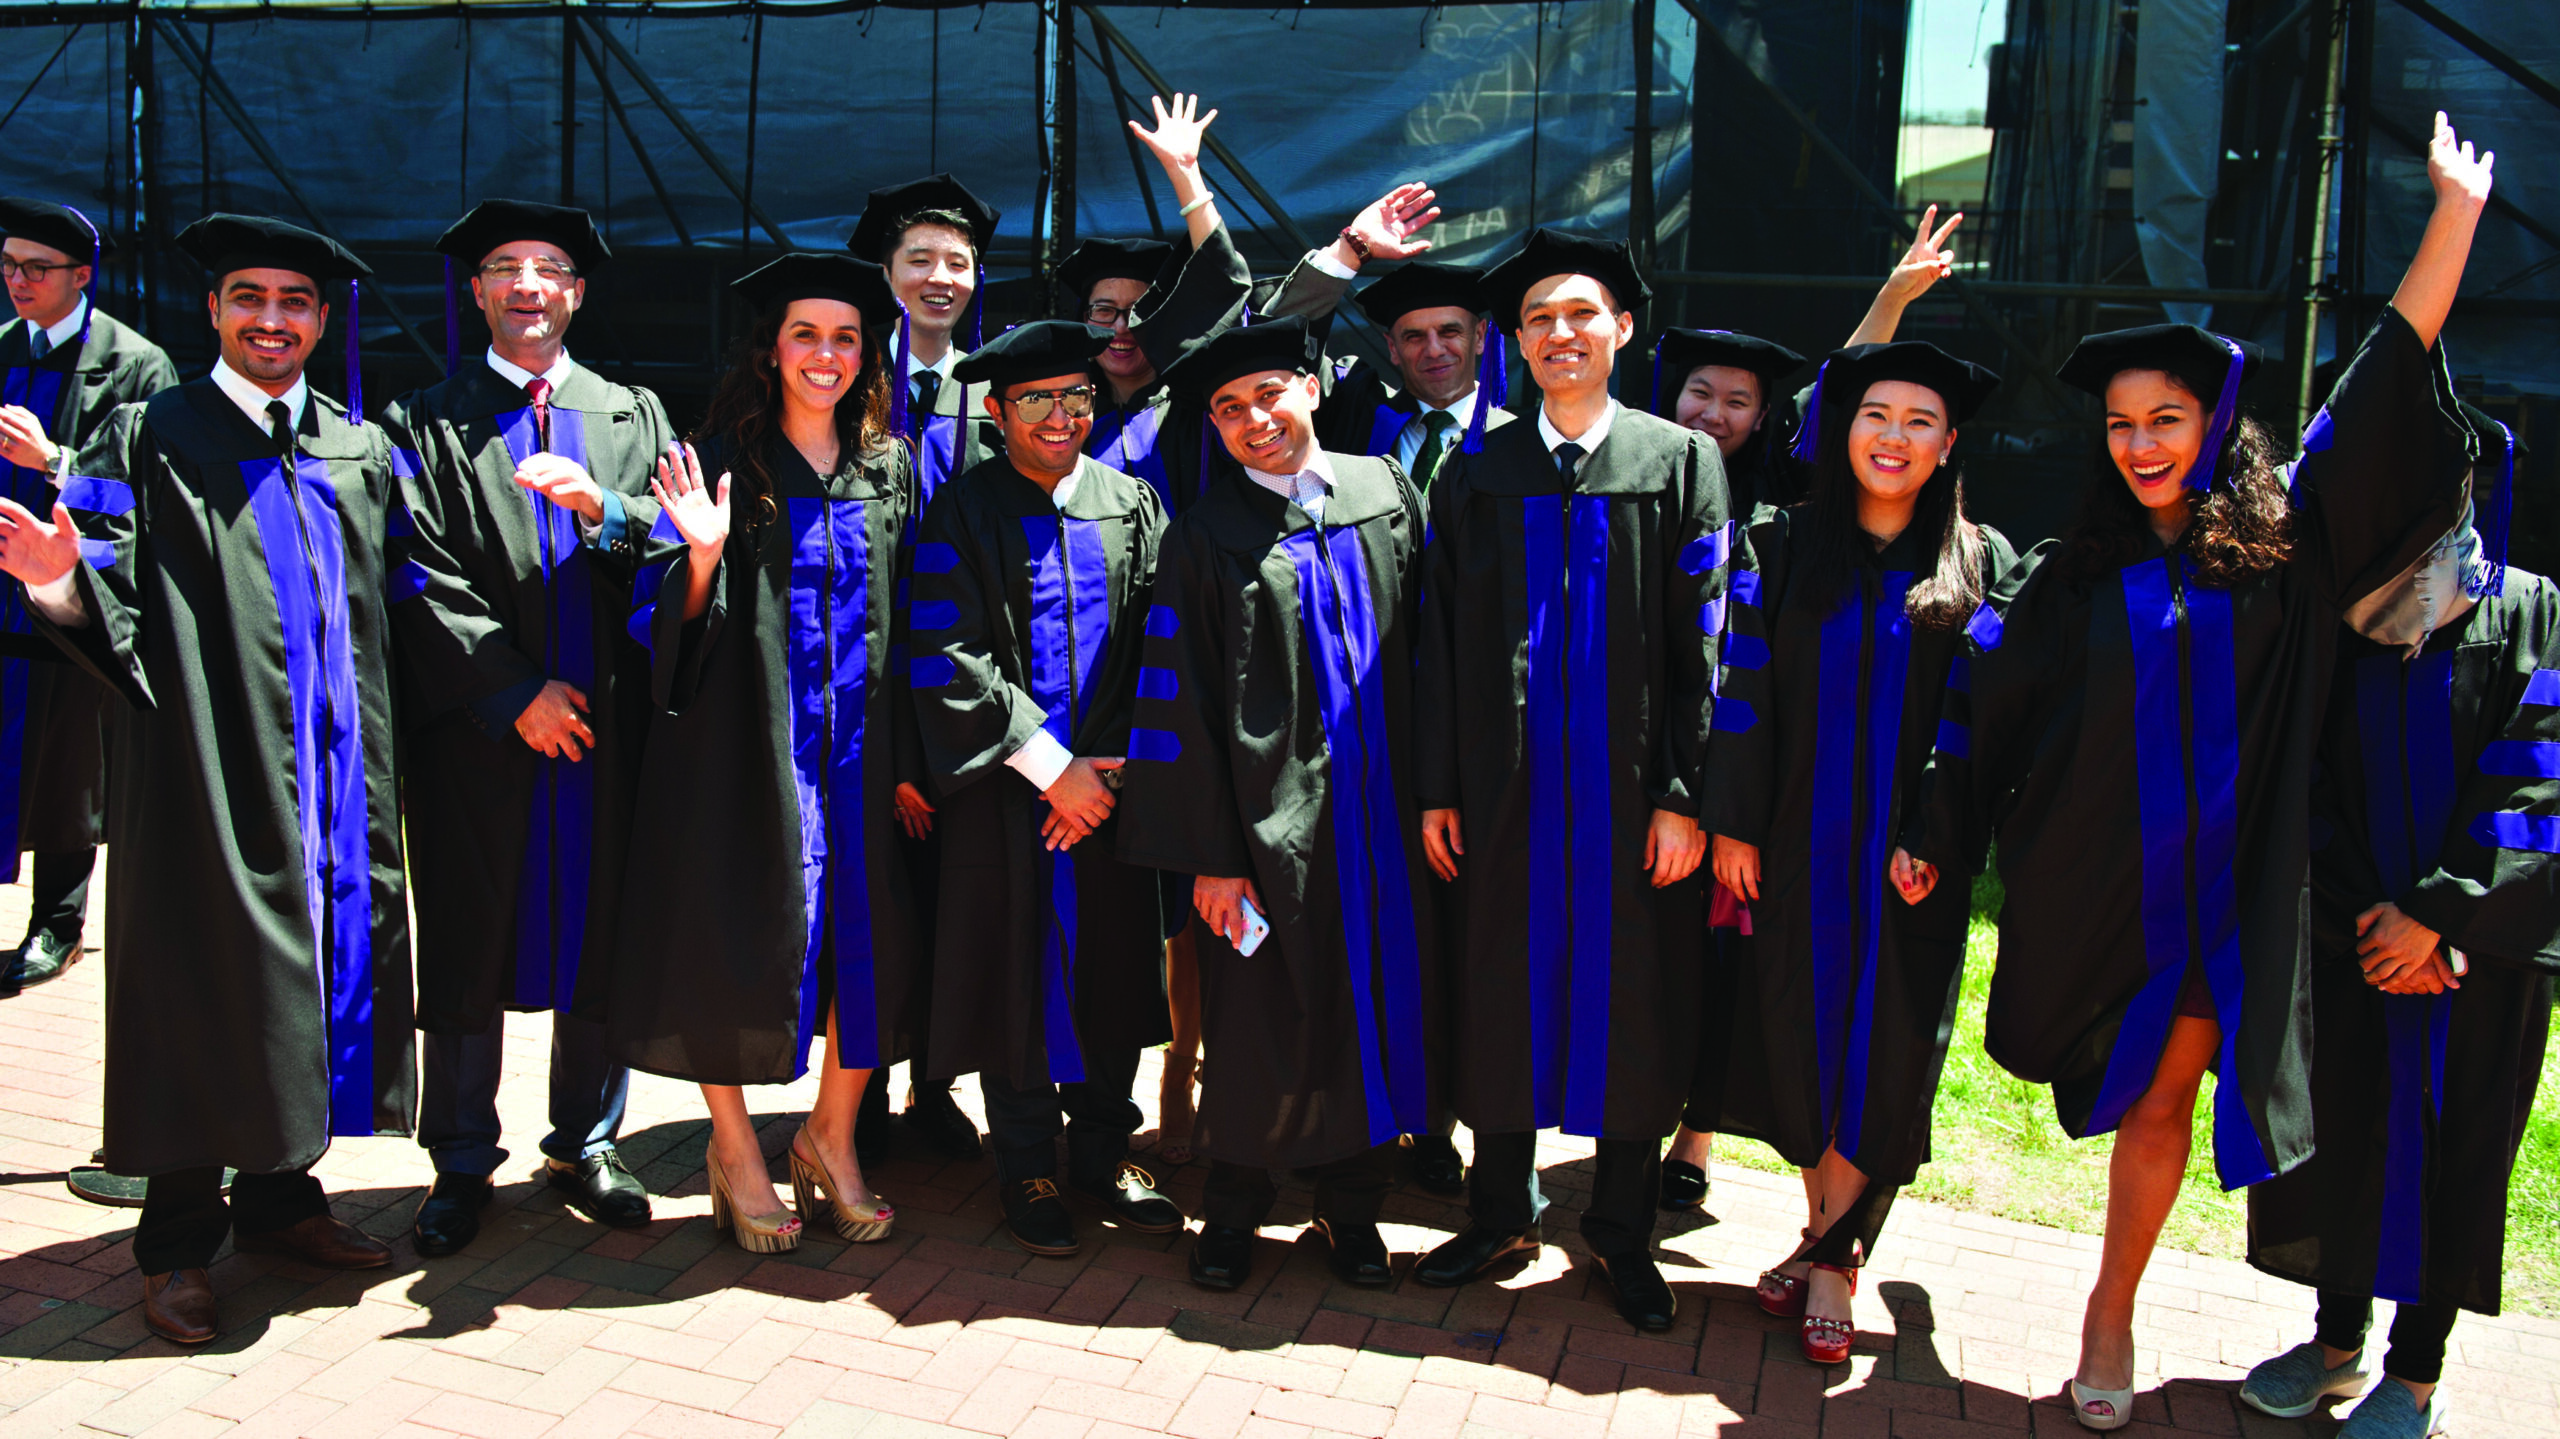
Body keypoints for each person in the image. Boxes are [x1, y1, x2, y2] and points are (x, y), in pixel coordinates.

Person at [1897, 111, 2493, 1432]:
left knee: (2230, 1095)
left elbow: (2386, 373)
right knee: (2154, 1090)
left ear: (2214, 420)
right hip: (2124, 883)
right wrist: (1940, 814)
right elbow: (1980, 693)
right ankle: (2113, 1302)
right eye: (2118, 422)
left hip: (2257, 887)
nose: (2139, 441)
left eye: (2166, 416)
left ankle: (2214, 1315)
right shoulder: (2077, 573)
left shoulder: (2293, 546)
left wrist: (2452, 215)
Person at [0, 213, 412, 1343]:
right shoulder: (149, 434)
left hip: (335, 780)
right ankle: (178, 1242)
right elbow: (112, 592)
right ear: (214, 311)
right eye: (249, 297)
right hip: (201, 768)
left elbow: (404, 608)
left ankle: (281, 1200)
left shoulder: (356, 447)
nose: (270, 319)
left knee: (305, 980)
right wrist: (56, 581)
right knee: (196, 983)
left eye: (293, 301)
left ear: (323, 320)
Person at [1411, 229, 1729, 1334]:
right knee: (1499, 985)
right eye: (1539, 317)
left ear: (1622, 328)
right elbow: (1440, 641)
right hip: (1500, 795)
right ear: (1516, 339)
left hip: (1631, 800)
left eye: (1582, 313)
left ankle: (1621, 1230)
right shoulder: (1479, 469)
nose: (1560, 332)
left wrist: (1688, 793)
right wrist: (1439, 786)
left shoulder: (1680, 461)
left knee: (1633, 1003)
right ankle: (1499, 1210)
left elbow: (1712, 643)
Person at [2234, 404, 2556, 1439]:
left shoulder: (2530, 608)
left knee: (2457, 1145)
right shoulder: (2337, 606)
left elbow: (2541, 771)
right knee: (2343, 1127)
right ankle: (2334, 1346)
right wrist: (2364, 916)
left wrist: (2443, 918)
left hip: (2478, 955)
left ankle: (2415, 1373)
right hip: (2350, 935)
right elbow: (2297, 770)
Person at [608, 251, 929, 1251]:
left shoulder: (891, 465)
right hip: (743, 751)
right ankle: (736, 1147)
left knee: (871, 944)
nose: (826, 355)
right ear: (770, 348)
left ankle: (830, 1136)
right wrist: (700, 554)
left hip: (866, 755)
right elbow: (660, 625)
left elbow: (917, 615)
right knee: (727, 933)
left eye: (844, 337)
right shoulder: (712, 460)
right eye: (805, 334)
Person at [1707, 340, 2018, 1364]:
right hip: (1796, 843)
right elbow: (1741, 696)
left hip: (1907, 861)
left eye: (1919, 421)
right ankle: (1824, 1238)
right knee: (1802, 1041)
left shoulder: (1980, 563)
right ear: (1843, 431)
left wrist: (1934, 833)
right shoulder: (1783, 545)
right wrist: (1738, 825)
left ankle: (1832, 1261)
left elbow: (1982, 720)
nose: (1893, 436)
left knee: (1881, 1052)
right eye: (1875, 414)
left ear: (1949, 443)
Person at [1118, 315, 1441, 1293]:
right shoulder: (1205, 536)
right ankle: (1235, 1206)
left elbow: (1436, 653)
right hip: (1263, 836)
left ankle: (1351, 1209)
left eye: (1267, 394)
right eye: (1226, 408)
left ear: (1308, 385)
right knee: (1254, 1016)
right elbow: (1179, 705)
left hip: (1384, 829)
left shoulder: (1387, 492)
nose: (1252, 419)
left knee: (1368, 1010)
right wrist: (1211, 857)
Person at [1655, 211, 1961, 1217]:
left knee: (1775, 973)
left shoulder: (1786, 499)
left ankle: (1707, 1139)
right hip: (1709, 768)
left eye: (1738, 399)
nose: (1714, 411)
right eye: (1698, 389)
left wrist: (1895, 299)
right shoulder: (1645, 480)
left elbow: (1857, 403)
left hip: (1804, 786)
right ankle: (1698, 1125)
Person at [382, 199, 672, 1255]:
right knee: (469, 937)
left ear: (578, 292)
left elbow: (673, 554)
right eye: (504, 267)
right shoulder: (422, 418)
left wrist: (612, 514)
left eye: (549, 268)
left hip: (604, 730)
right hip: (477, 737)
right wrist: (511, 692)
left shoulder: (632, 414)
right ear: (476, 291)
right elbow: (410, 569)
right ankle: (460, 1159)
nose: (527, 286)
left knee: (600, 932)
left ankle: (586, 1140)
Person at [907, 319, 1186, 1256]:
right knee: (1014, 974)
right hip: (1006, 794)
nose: (1061, 416)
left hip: (1112, 795)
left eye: (1076, 397)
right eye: (1037, 400)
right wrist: (1049, 766)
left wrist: (1110, 771)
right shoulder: (962, 510)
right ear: (997, 411)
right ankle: (1024, 1161)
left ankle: (1107, 1152)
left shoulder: (1134, 502)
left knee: (1114, 967)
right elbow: (946, 656)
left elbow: (1168, 644)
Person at [0, 197, 175, 994]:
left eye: (36, 268)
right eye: (8, 266)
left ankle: (58, 924)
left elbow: (140, 491)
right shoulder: (1, 347)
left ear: (82, 275)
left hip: (76, 594)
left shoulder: (135, 364)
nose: (17, 281)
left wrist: (55, 458)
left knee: (69, 765)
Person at [1054, 91, 1251, 517]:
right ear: (1082, 320)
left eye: (1139, 311)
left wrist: (1186, 176)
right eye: (1104, 311)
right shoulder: (1062, 418)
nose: (1122, 328)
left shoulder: (1198, 407)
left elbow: (1221, 291)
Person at [1263, 184, 1514, 493]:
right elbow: (1272, 347)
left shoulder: (1518, 438)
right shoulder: (1357, 411)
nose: (1434, 350)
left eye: (1450, 332)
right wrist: (1351, 250)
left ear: (1479, 337)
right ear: (1393, 348)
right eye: (1414, 337)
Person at [849, 169, 1002, 512]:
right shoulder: (848, 386)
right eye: (920, 261)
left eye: (957, 265)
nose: (940, 278)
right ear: (885, 275)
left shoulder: (995, 395)